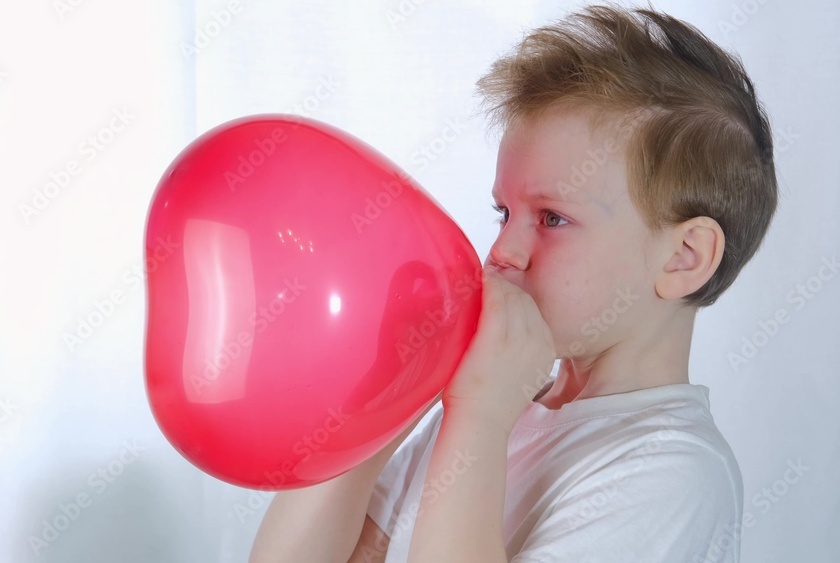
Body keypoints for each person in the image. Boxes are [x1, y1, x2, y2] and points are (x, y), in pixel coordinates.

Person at [250, 4, 777, 562]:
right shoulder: (500, 402)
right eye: (504, 213)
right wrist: (388, 397)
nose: (502, 251)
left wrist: (479, 419)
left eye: (552, 218)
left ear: (684, 258)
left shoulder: (672, 472)